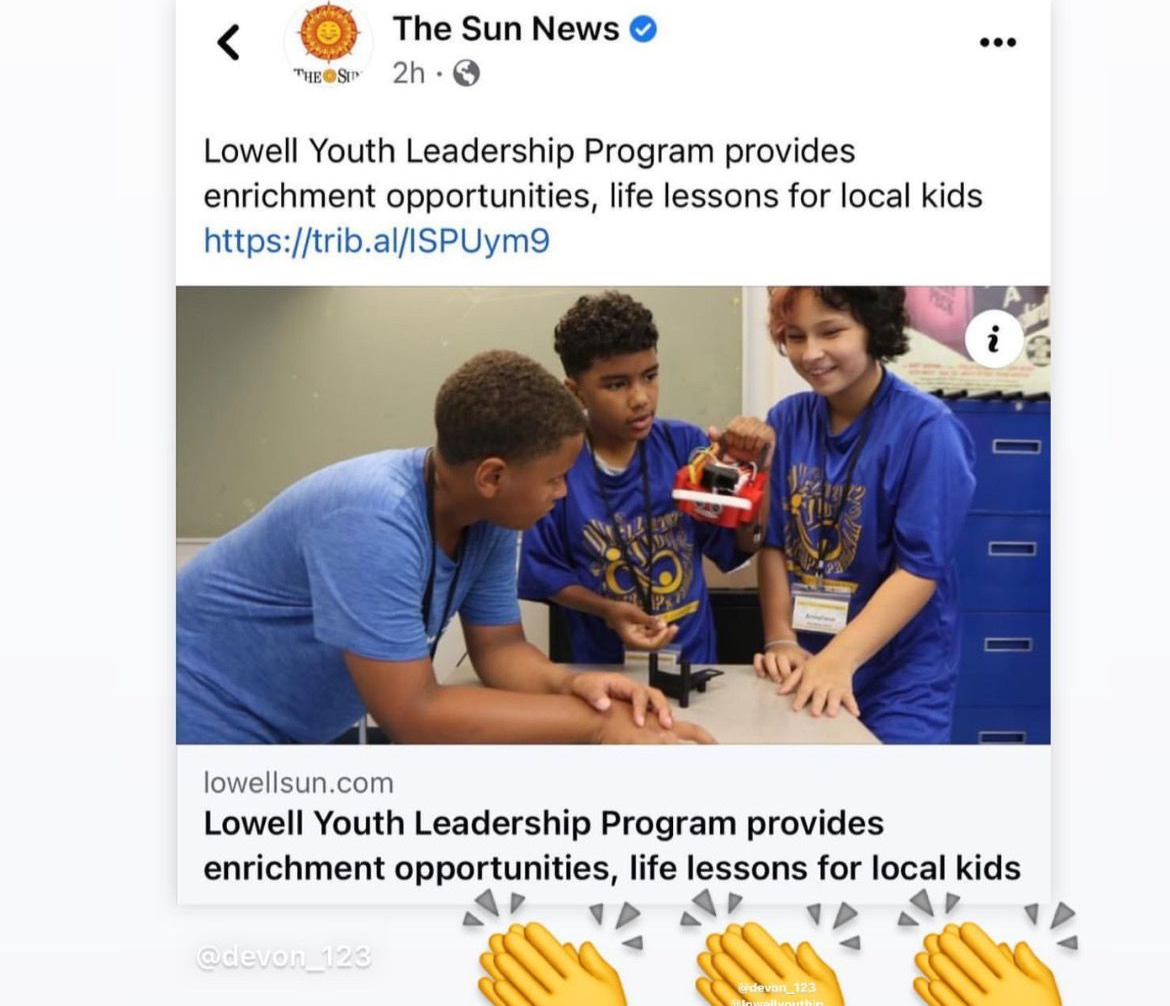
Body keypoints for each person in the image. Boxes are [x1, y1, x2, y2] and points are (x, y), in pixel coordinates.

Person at [178, 349, 713, 745]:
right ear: (492, 475)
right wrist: (597, 727)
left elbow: (500, 651)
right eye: (554, 478)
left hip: (289, 729)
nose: (563, 491)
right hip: (201, 719)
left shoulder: (492, 518)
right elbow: (414, 714)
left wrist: (583, 689)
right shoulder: (372, 519)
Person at [755, 287, 975, 743]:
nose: (810, 353)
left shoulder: (928, 430)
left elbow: (919, 568)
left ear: (874, 327)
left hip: (902, 676)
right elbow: (774, 541)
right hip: (808, 658)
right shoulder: (786, 420)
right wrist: (780, 637)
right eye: (795, 337)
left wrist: (840, 660)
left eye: (831, 332)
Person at [519, 292, 772, 666]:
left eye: (650, 376)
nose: (641, 398)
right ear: (576, 392)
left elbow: (741, 543)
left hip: (695, 665)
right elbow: (545, 574)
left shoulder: (687, 448)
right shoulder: (558, 468)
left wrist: (754, 472)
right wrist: (608, 610)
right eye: (617, 384)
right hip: (604, 671)